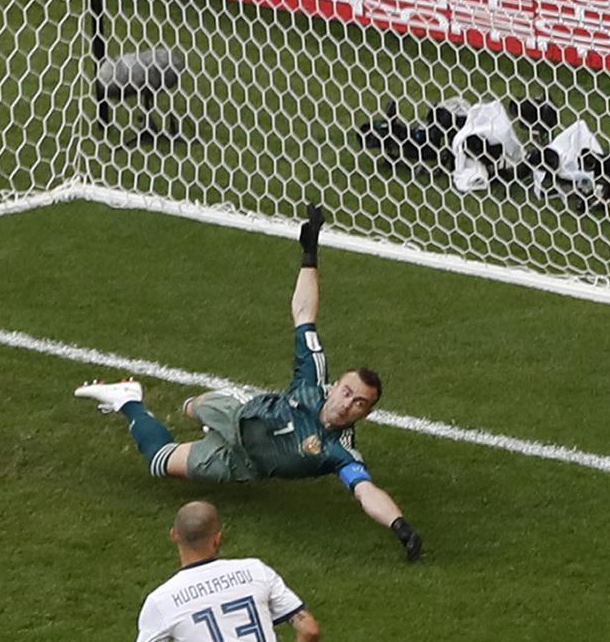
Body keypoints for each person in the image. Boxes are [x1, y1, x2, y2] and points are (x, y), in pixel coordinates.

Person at [76, 205, 423, 562]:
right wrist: (309, 255)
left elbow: (366, 491)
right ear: (335, 386)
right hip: (238, 412)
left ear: (364, 414)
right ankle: (201, 413)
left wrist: (401, 526)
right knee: (191, 408)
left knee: (159, 462)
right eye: (347, 392)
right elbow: (304, 315)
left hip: (242, 462)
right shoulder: (312, 379)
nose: (348, 403)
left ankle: (128, 399)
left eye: (360, 403)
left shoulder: (340, 451)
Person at [124, 500, 320, 642]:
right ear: (217, 538)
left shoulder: (161, 600)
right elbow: (308, 629)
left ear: (174, 535)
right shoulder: (256, 571)